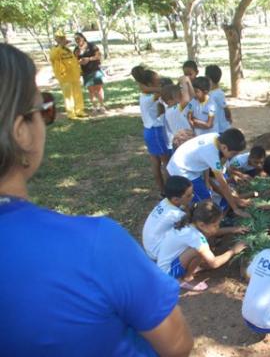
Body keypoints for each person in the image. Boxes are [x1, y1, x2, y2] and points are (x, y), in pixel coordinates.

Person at [0, 43, 192, 356]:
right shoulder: (94, 244)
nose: (48, 117)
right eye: (45, 108)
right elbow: (178, 344)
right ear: (21, 131)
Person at [156, 200, 247, 291]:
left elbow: (212, 232)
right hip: (167, 274)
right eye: (215, 225)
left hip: (166, 265)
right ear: (202, 225)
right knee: (199, 249)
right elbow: (214, 263)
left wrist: (234, 229)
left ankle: (190, 270)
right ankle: (187, 279)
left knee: (201, 247)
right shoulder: (196, 238)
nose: (218, 227)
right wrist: (233, 251)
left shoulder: (190, 223)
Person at [166, 129, 250, 217]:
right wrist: (235, 209)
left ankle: (193, 212)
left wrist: (206, 181)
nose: (234, 156)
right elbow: (223, 185)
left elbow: (205, 163)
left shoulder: (217, 137)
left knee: (205, 196)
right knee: (206, 203)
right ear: (224, 147)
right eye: (233, 153)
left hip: (189, 164)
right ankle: (197, 220)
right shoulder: (211, 153)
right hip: (182, 169)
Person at [131, 65, 170, 195]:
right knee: (166, 162)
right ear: (148, 84)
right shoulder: (151, 97)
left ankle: (162, 190)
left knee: (156, 161)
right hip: (155, 131)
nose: (159, 82)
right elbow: (164, 91)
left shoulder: (144, 95)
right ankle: (168, 190)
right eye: (157, 80)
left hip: (149, 131)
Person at [142, 176, 194, 261]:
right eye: (188, 195)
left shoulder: (165, 201)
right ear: (176, 200)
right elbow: (194, 224)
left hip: (150, 246)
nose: (192, 196)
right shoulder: (176, 214)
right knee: (194, 238)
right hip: (157, 252)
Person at [49, 30, 86, 119]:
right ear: (56, 39)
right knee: (68, 95)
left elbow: (72, 61)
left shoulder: (68, 50)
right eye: (60, 38)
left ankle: (79, 111)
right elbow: (53, 57)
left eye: (63, 38)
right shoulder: (55, 50)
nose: (63, 40)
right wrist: (60, 45)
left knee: (78, 93)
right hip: (64, 76)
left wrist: (79, 67)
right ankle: (71, 113)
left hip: (74, 75)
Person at [74, 32, 106, 113]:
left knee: (99, 89)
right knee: (91, 90)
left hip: (95, 70)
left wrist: (89, 59)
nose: (77, 40)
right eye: (75, 39)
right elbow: (74, 61)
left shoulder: (91, 45)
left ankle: (102, 106)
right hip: (86, 72)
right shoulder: (76, 49)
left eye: (78, 38)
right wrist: (79, 62)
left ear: (83, 38)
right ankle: (94, 107)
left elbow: (99, 56)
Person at [161, 84, 192, 152]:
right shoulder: (173, 110)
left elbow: (191, 97)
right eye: (179, 96)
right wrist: (184, 80)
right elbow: (186, 100)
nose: (181, 97)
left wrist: (188, 83)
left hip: (185, 141)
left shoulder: (175, 109)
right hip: (182, 143)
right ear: (169, 101)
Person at [205, 64, 232, 133]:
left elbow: (225, 108)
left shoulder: (218, 94)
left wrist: (229, 118)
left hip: (222, 127)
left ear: (208, 78)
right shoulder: (211, 93)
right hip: (216, 125)